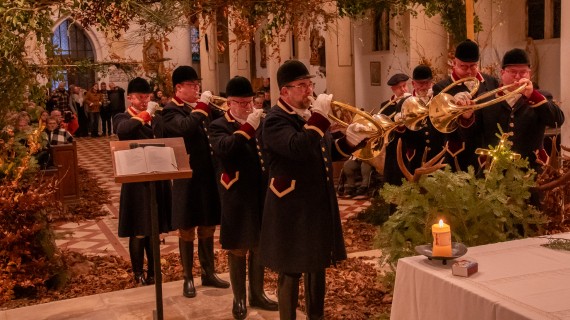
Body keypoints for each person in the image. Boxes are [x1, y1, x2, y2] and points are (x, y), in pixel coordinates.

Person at [259, 60, 370, 319]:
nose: (309, 90)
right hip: (291, 207)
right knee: (291, 267)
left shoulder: (309, 117)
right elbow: (297, 147)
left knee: (317, 264)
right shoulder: (274, 120)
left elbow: (325, 151)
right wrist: (319, 119)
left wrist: (350, 141)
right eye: (301, 86)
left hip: (317, 202)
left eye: (310, 84)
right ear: (284, 92)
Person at [209, 76, 278, 319]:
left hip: (260, 190)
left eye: (250, 102)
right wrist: (248, 127)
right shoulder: (218, 125)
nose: (248, 107)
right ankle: (239, 298)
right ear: (229, 103)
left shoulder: (259, 122)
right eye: (242, 103)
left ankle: (257, 293)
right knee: (238, 246)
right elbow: (225, 149)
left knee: (259, 244)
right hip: (235, 192)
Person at [160, 66, 229, 298]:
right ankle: (188, 277)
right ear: (179, 89)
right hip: (186, 177)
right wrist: (202, 107)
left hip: (208, 175)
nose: (197, 88)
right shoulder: (170, 110)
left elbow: (222, 123)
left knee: (208, 225)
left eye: (197, 85)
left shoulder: (203, 109)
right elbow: (184, 128)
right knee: (187, 227)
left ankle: (208, 273)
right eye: (192, 85)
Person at [458, 48, 565, 172]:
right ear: (502, 73)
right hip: (493, 170)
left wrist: (533, 96)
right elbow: (471, 138)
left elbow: (557, 120)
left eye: (523, 72)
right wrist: (467, 118)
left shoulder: (540, 97)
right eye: (513, 72)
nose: (518, 77)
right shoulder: (484, 99)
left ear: (529, 74)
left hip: (531, 169)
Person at [112, 77, 172, 286]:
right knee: (138, 230)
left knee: (154, 231)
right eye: (139, 97)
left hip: (156, 178)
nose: (144, 101)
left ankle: (155, 273)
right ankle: (137, 273)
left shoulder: (157, 118)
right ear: (130, 98)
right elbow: (123, 131)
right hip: (135, 181)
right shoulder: (122, 116)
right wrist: (145, 115)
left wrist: (154, 117)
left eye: (147, 97)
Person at [432, 39, 500, 171]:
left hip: (487, 151)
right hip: (459, 155)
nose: (469, 71)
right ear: (454, 64)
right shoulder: (441, 87)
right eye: (463, 67)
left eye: (473, 66)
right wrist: (451, 102)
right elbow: (438, 124)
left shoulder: (490, 81)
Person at [399, 65, 447, 172]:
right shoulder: (404, 103)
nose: (424, 87)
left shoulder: (438, 100)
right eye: (420, 83)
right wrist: (401, 127)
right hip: (416, 156)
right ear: (413, 84)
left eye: (427, 83)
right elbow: (402, 136)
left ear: (431, 82)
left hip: (438, 153)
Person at [379, 73, 411, 186]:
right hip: (393, 150)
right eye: (399, 88)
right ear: (393, 89)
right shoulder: (386, 106)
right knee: (394, 182)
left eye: (404, 86)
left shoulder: (413, 102)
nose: (403, 90)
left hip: (410, 147)